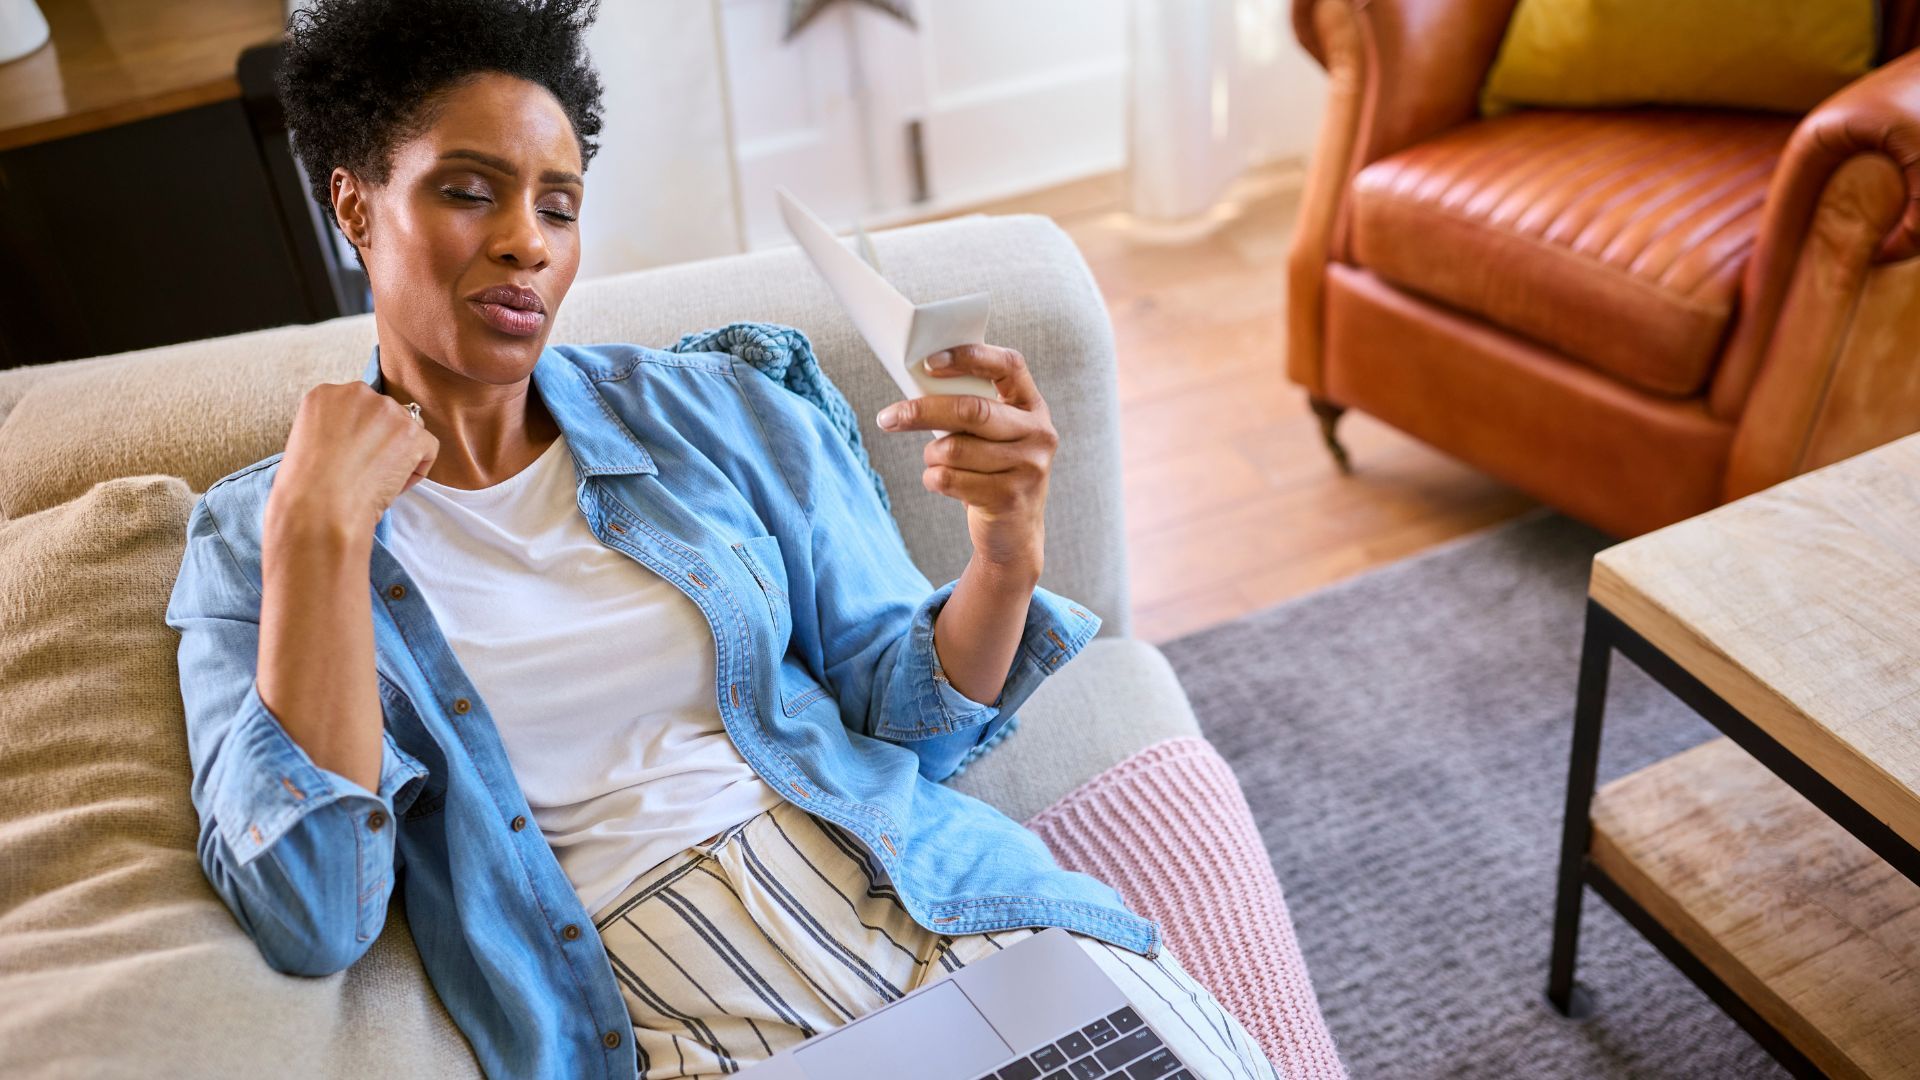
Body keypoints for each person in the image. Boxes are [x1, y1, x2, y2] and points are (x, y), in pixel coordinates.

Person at [164, 1, 1279, 1077]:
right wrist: (318, 533)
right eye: (468, 192)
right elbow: (313, 913)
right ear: (355, 207)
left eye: (559, 208)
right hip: (674, 1019)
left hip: (943, 911)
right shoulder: (252, 536)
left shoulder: (714, 407)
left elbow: (909, 721)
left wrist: (1004, 552)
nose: (525, 244)